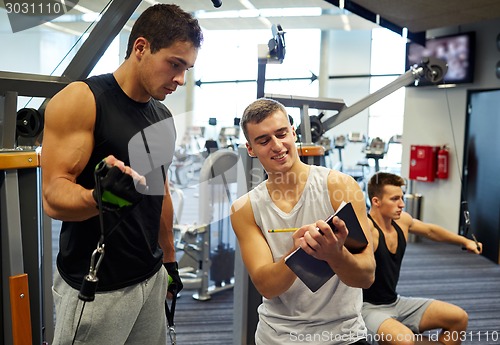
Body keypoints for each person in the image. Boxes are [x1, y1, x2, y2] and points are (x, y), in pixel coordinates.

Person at [41, 4, 203, 344]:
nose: (180, 79)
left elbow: (162, 191)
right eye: (175, 64)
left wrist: (169, 261)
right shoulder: (82, 100)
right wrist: (96, 198)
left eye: (186, 68)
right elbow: (53, 196)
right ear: (141, 48)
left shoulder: (161, 116)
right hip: (98, 286)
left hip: (149, 276)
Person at [230, 98, 376, 345]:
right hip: (278, 337)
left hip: (343, 335)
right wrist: (297, 253)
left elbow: (366, 276)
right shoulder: (244, 209)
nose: (277, 146)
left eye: (281, 134)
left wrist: (335, 254)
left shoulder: (338, 187)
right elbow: (266, 286)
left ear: (293, 133)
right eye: (264, 141)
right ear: (251, 149)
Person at [362, 172, 483, 345]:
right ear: (376, 201)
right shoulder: (367, 229)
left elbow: (430, 231)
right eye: (395, 199)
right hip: (367, 308)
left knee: (459, 318)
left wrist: (465, 241)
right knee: (405, 341)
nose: (402, 204)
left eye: (402, 198)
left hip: (395, 302)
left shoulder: (402, 221)